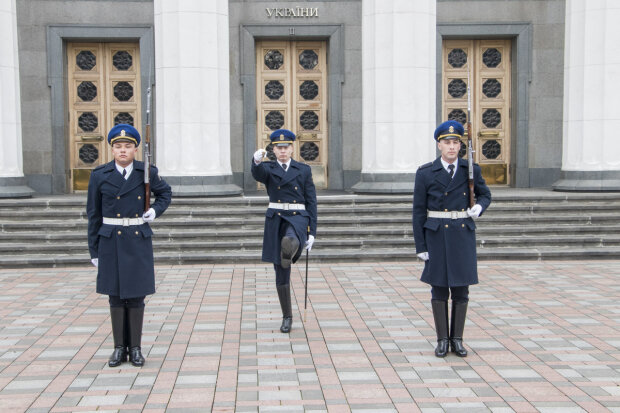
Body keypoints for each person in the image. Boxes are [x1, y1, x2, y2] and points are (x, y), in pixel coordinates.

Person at [87, 123, 172, 367]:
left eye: (127, 146)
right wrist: (94, 250)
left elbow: (165, 194)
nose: (122, 150)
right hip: (110, 239)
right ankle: (118, 349)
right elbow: (93, 215)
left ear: (135, 149)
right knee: (115, 296)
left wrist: (155, 211)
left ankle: (135, 348)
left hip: (137, 238)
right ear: (112, 149)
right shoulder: (99, 175)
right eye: (118, 146)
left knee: (136, 297)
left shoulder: (146, 173)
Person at [412, 120, 491, 358]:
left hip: (461, 233)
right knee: (439, 290)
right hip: (436, 234)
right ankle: (441, 340)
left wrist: (479, 206)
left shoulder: (471, 170)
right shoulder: (426, 172)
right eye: (447, 142)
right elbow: (418, 211)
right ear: (439, 145)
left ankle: (457, 339)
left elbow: (485, 194)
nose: (452, 147)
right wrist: (421, 246)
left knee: (461, 290)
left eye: (456, 142)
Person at [252, 129, 317, 333]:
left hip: (298, 218)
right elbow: (258, 174)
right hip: (276, 219)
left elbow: (311, 200)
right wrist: (255, 161)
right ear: (273, 149)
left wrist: (312, 231)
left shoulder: (303, 169)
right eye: (278, 148)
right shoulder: (268, 168)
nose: (282, 151)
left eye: (286, 147)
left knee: (290, 238)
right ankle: (287, 316)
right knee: (281, 272)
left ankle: (291, 247)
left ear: (292, 148)